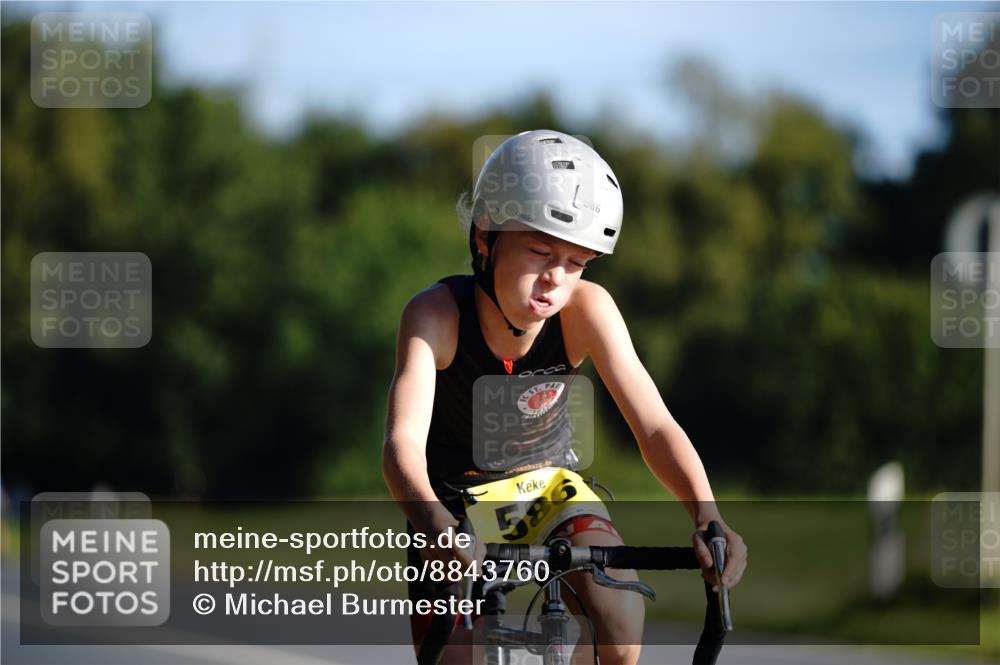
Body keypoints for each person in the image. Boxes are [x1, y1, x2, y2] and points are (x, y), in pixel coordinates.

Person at [383, 130, 747, 665]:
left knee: (621, 625)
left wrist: (706, 514)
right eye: (539, 251)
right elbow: (400, 446)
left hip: (549, 491)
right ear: (484, 236)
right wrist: (435, 525)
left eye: (577, 262)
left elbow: (653, 426)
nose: (556, 279)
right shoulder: (434, 317)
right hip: (452, 509)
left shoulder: (586, 310)